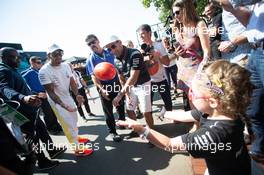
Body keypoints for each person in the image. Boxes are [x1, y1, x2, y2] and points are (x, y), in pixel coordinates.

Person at [117, 60, 252, 175]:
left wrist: (141, 129)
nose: (190, 95)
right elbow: (186, 115)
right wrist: (165, 113)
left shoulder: (213, 135)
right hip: (232, 163)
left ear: (212, 101)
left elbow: (170, 145)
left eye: (193, 93)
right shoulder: (223, 110)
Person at [216, 0, 264, 163]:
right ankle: (259, 149)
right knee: (252, 107)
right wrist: (230, 7)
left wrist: (232, 42)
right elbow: (251, 25)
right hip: (255, 51)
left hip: (248, 55)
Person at [0, 47, 63, 170]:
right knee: (33, 137)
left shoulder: (12, 69)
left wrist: (35, 94)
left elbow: (23, 88)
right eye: (14, 57)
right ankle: (42, 161)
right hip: (20, 112)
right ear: (3, 58)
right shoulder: (3, 71)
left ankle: (52, 150)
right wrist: (23, 98)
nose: (18, 60)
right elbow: (4, 89)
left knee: (42, 130)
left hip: (30, 110)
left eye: (19, 57)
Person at [39, 44, 93, 156]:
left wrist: (77, 94)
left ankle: (76, 138)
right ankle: (77, 149)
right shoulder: (44, 71)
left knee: (74, 120)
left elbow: (72, 82)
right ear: (49, 56)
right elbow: (51, 92)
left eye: (60, 53)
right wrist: (63, 105)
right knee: (67, 123)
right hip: (56, 101)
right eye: (55, 54)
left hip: (67, 96)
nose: (59, 56)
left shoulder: (65, 66)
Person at [104, 35, 153, 133]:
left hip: (143, 84)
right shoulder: (115, 60)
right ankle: (137, 130)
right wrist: (126, 94)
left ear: (120, 42)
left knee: (145, 111)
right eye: (109, 49)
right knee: (129, 109)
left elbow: (133, 77)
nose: (112, 51)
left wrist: (119, 95)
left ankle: (151, 133)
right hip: (130, 86)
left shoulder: (134, 53)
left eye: (113, 47)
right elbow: (121, 78)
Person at [171, 0, 211, 111]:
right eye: (173, 13)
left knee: (202, 100)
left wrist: (200, 72)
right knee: (190, 97)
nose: (175, 16)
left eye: (178, 12)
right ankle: (196, 123)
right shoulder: (177, 28)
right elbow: (177, 51)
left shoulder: (199, 24)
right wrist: (176, 53)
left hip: (198, 70)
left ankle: (204, 123)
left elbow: (207, 52)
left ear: (186, 9)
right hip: (183, 69)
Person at [85, 34, 124, 142]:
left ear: (98, 41)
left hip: (116, 82)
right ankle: (112, 131)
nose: (92, 45)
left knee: (120, 104)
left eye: (93, 42)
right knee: (108, 110)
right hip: (104, 86)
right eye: (89, 44)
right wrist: (101, 89)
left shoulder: (110, 51)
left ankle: (122, 122)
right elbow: (93, 76)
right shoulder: (91, 59)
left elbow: (119, 64)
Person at [21, 56, 63, 134]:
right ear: (32, 63)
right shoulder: (27, 73)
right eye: (38, 62)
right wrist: (36, 94)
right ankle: (51, 128)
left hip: (47, 94)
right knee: (47, 113)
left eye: (41, 62)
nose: (40, 64)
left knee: (53, 111)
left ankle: (56, 125)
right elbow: (25, 86)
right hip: (40, 96)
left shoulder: (40, 71)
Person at [138, 24, 172, 112]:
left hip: (161, 79)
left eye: (143, 33)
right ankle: (150, 124)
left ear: (149, 33)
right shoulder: (140, 49)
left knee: (168, 102)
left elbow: (167, 63)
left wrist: (157, 55)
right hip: (148, 81)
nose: (141, 36)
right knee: (147, 105)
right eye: (139, 35)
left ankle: (173, 117)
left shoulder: (159, 45)